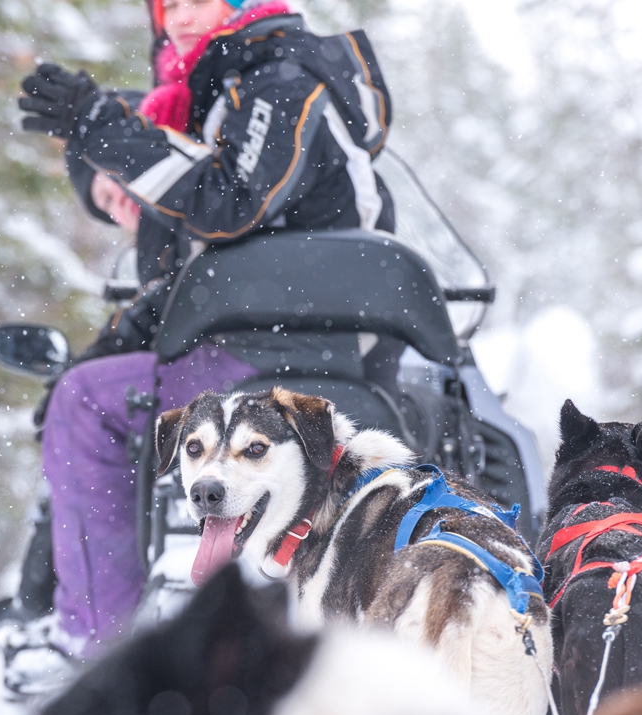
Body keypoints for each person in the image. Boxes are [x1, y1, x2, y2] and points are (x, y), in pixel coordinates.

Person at [20, 0, 396, 656]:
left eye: (202, 0)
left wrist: (101, 126)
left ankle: (92, 648)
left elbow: (229, 204)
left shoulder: (281, 81)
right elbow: (208, 253)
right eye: (168, 5)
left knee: (85, 403)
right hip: (300, 335)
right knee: (91, 385)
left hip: (278, 346)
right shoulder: (246, 87)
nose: (180, 20)